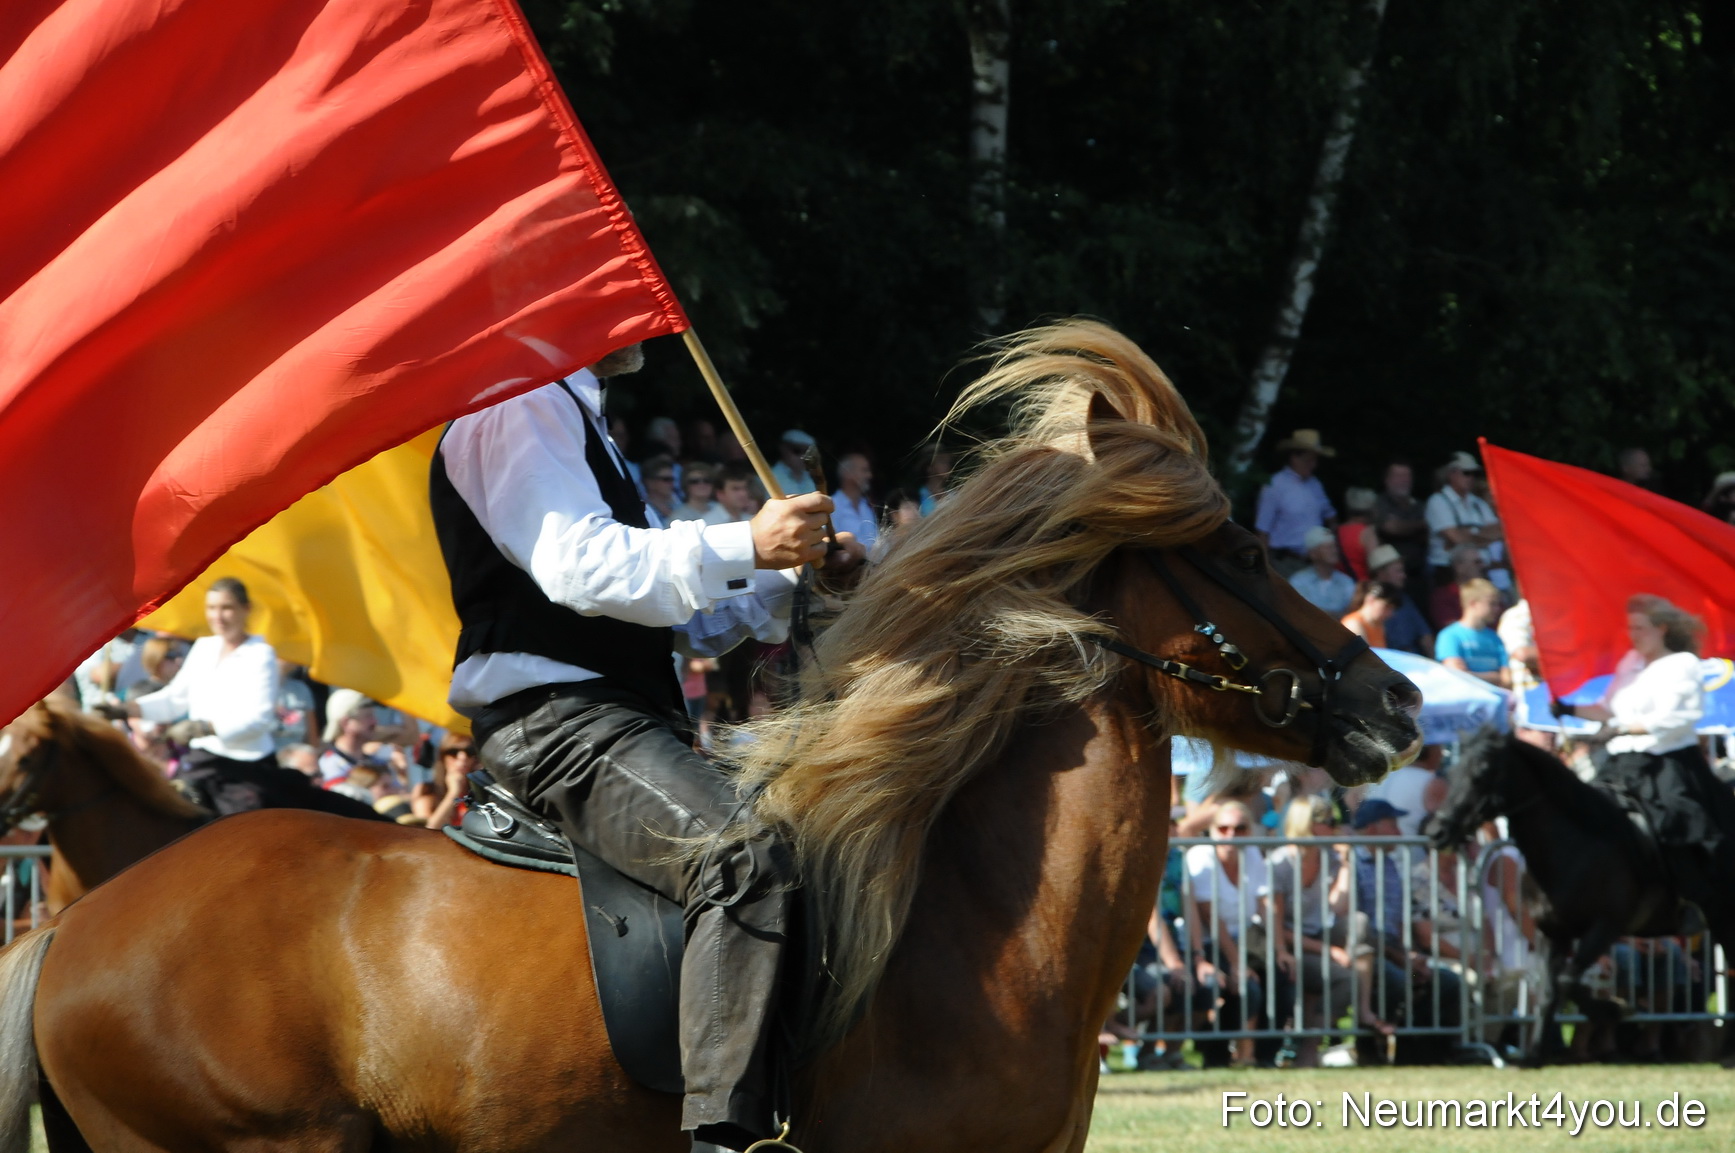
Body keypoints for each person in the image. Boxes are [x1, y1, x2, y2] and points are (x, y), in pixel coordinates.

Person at [430, 342, 859, 1149]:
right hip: (558, 723)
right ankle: (724, 1140)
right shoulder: (517, 404)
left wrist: (795, 571)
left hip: (606, 714)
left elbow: (675, 611)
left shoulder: (575, 415)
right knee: (742, 852)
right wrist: (747, 543)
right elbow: (582, 569)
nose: (643, 324)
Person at [123, 579, 379, 819]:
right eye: (212, 608)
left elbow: (258, 720)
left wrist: (203, 728)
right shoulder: (204, 646)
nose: (218, 616)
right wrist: (128, 710)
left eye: (226, 608)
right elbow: (174, 699)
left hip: (244, 770)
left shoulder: (260, 653)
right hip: (201, 762)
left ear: (245, 610)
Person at [1557, 596, 1735, 941]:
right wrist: (1568, 708)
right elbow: (1608, 709)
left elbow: (1675, 718)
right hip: (1623, 763)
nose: (1633, 635)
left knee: (1676, 826)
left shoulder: (1682, 664)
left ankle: (1690, 899)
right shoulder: (1631, 662)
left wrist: (1624, 728)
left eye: (1639, 628)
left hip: (1668, 765)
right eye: (1630, 628)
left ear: (1661, 629)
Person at [1265, 797, 1392, 1065]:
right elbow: (1275, 926)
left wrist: (1346, 863)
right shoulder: (1280, 863)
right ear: (1306, 824)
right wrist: (1330, 952)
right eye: (1329, 822)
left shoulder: (1329, 857)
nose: (1336, 828)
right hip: (1284, 945)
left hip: (1317, 937)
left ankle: (1363, 1010)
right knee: (1344, 979)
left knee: (1358, 922)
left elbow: (1339, 907)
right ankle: (1310, 1049)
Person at [1255, 430, 1337, 573]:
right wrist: (1265, 566)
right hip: (1285, 562)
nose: (1313, 465)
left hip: (1315, 563)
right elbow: (1262, 530)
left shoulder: (1315, 485)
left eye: (1315, 460)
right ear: (1294, 458)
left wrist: (1330, 543)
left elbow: (1330, 515)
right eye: (1308, 460)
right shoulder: (1275, 485)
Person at [1425, 451, 1502, 587]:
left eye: (1474, 474)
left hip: (1481, 570)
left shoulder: (1478, 503)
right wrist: (1484, 535)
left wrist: (1468, 534)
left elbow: (1499, 532)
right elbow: (1456, 538)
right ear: (1452, 474)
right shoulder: (1438, 501)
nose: (1471, 478)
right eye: (1466, 473)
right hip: (1449, 574)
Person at [1435, 579, 1510, 687]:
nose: (1497, 609)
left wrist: (1471, 675)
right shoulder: (1449, 636)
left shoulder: (1495, 638)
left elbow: (1507, 680)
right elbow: (1457, 676)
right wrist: (1495, 676)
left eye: (1497, 604)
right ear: (1473, 603)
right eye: (1492, 604)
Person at [1366, 544, 1433, 656]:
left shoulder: (1405, 599)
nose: (1403, 576)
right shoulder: (1370, 603)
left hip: (1413, 658)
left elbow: (1425, 635)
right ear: (1381, 573)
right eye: (1398, 571)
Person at [1372, 461, 1429, 591]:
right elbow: (1390, 527)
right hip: (1391, 576)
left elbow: (1428, 533)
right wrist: (1421, 525)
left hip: (1420, 573)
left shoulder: (1419, 505)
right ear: (1387, 480)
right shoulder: (1380, 503)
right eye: (1398, 476)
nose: (1404, 480)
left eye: (1407, 476)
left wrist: (1403, 526)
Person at [1288, 526, 1355, 616]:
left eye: (1335, 547)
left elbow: (1351, 612)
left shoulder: (1346, 581)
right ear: (1313, 554)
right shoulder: (1299, 581)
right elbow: (1301, 612)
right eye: (1328, 548)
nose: (1334, 551)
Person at [1428, 542, 1487, 631]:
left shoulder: (1488, 592)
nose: (1482, 566)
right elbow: (1454, 630)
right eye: (1477, 562)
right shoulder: (1443, 596)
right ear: (1459, 567)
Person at [830, 452, 879, 552]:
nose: (869, 475)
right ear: (848, 473)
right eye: (864, 470)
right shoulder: (832, 505)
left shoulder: (866, 506)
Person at [1341, 581, 1402, 648]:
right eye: (1387, 607)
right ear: (1371, 599)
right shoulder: (1353, 623)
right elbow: (1364, 653)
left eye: (1392, 609)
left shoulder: (1379, 625)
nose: (1390, 614)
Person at [1337, 487, 1377, 581]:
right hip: (1362, 585)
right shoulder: (1368, 533)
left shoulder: (1337, 531)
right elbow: (1375, 565)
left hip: (1341, 584)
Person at [770, 429, 818, 497]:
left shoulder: (811, 478)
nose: (803, 457)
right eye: (797, 451)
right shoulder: (768, 477)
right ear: (783, 449)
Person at [640, 453, 679, 525]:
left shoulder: (678, 502)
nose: (671, 483)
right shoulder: (642, 509)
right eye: (666, 479)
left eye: (672, 479)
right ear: (650, 482)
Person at [918, 447, 954, 516]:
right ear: (929, 468)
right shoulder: (918, 498)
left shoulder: (953, 495)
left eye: (948, 462)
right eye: (942, 462)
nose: (947, 466)